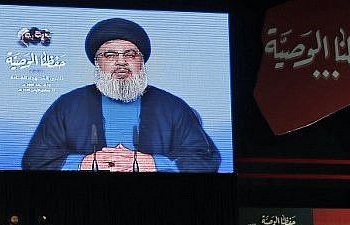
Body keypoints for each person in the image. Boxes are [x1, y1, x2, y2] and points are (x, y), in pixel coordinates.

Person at [23, 18, 220, 172]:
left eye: (130, 54)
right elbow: (34, 159)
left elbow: (206, 158)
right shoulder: (67, 105)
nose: (121, 62)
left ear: (141, 62)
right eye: (110, 55)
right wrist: (82, 163)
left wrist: (154, 164)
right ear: (97, 63)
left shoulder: (173, 107)